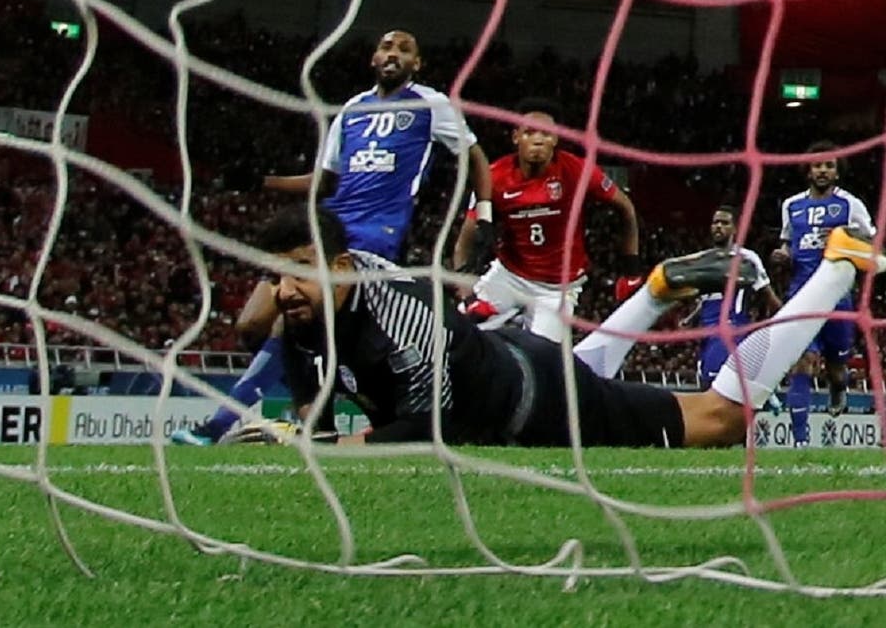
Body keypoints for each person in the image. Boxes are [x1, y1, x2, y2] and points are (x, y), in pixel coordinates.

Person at [257, 203, 883, 448]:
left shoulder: (403, 321)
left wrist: (329, 447)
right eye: (276, 276)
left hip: (538, 400)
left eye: (299, 273)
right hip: (513, 360)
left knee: (721, 420)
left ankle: (836, 265)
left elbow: (442, 431)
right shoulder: (318, 298)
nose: (284, 292)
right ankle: (657, 290)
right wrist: (298, 435)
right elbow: (307, 386)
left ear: (341, 267)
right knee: (580, 374)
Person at [172, 30, 493, 446]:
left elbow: (476, 156)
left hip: (376, 236)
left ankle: (216, 427)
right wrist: (263, 181)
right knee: (252, 323)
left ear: (418, 64)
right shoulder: (352, 111)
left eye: (404, 49)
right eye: (385, 47)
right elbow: (324, 182)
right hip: (325, 229)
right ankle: (316, 406)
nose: (393, 53)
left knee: (290, 325)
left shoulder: (431, 105)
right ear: (373, 58)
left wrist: (483, 214)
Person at [453, 97, 642, 344]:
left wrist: (632, 269)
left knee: (544, 359)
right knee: (460, 331)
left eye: (546, 133)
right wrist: (468, 299)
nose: (539, 139)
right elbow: (463, 242)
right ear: (516, 137)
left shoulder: (576, 171)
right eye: (530, 132)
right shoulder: (493, 177)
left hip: (557, 289)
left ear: (556, 139)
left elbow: (626, 208)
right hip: (509, 276)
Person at [770, 141, 874, 445]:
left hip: (838, 297)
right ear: (808, 170)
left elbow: (872, 243)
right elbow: (787, 243)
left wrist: (847, 235)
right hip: (801, 294)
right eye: (818, 165)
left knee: (837, 369)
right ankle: (799, 442)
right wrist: (782, 254)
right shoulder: (791, 206)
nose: (823, 170)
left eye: (828, 165)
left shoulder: (850, 205)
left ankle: (838, 388)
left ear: (837, 172)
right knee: (803, 361)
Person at [689, 205, 781, 390]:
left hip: (730, 331)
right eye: (715, 222)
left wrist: (788, 322)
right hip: (707, 333)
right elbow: (709, 297)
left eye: (724, 223)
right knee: (707, 389)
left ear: (735, 228)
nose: (718, 227)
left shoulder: (746, 259)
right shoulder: (703, 260)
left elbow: (768, 295)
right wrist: (691, 318)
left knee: (715, 393)